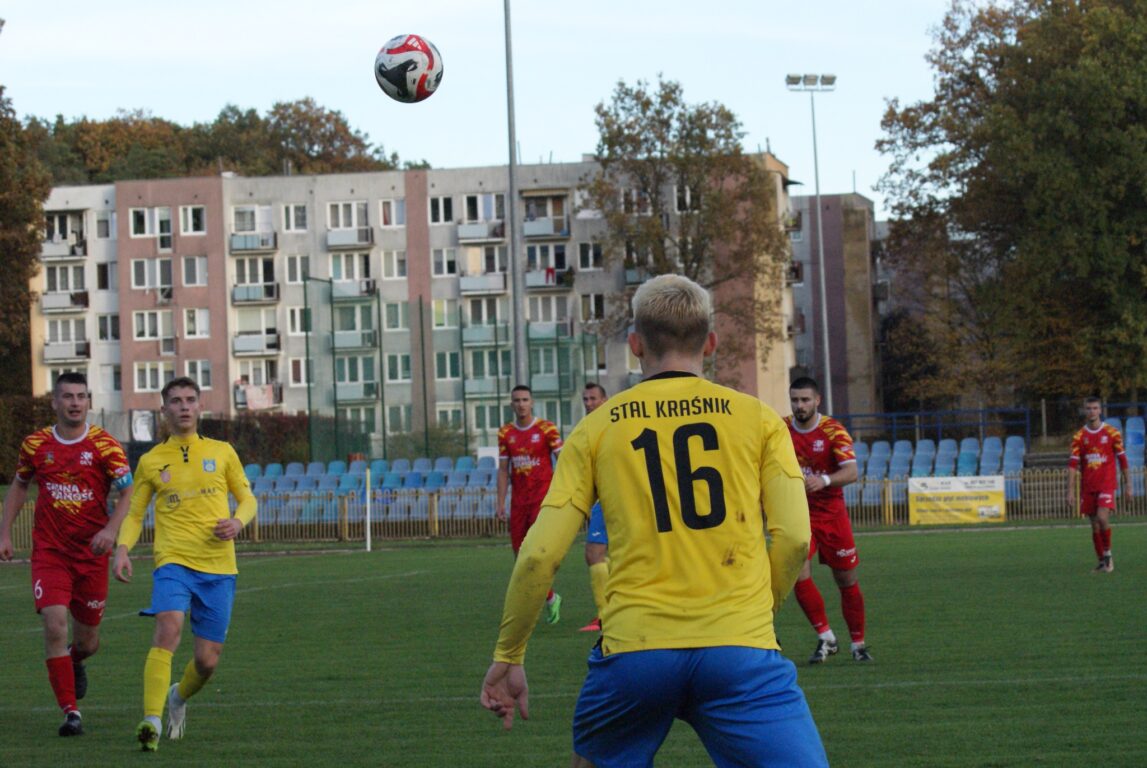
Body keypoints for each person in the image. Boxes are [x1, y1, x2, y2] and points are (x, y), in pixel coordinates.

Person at [481, 274, 828, 767]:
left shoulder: (595, 429)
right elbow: (794, 538)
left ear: (635, 344)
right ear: (710, 342)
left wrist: (509, 654)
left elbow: (539, 555)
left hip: (635, 652)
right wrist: (758, 610)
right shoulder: (761, 420)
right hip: (740, 650)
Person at [113, 377, 257, 752]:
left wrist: (238, 522)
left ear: (200, 406)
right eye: (175, 401)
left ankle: (178, 698)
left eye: (190, 400)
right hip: (173, 561)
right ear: (165, 410)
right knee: (168, 628)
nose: (183, 407)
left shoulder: (222, 452)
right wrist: (123, 549)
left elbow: (247, 499)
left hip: (219, 568)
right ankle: (151, 721)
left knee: (207, 662)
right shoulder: (150, 461)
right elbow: (134, 512)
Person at [0, 372, 133, 737]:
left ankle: (75, 660)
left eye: (81, 396)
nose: (75, 402)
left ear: (88, 401)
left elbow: (127, 492)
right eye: (68, 396)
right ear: (55, 402)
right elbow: (20, 485)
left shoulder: (105, 446)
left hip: (91, 556)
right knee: (54, 624)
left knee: (88, 642)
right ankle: (71, 712)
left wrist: (110, 530)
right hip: (51, 553)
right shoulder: (35, 445)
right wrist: (4, 532)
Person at [785, 376, 871, 664]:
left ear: (817, 401)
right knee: (798, 574)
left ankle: (858, 644)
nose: (800, 405)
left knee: (846, 579)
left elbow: (851, 472)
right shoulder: (780, 430)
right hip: (798, 515)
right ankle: (826, 636)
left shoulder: (833, 430)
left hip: (832, 516)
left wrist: (823, 480)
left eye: (805, 400)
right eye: (795, 400)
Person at [496, 385, 564, 624]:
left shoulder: (546, 429)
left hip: (542, 500)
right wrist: (500, 502)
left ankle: (532, 603)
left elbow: (563, 461)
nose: (521, 404)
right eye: (516, 400)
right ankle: (549, 597)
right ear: (511, 404)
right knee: (520, 557)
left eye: (525, 399)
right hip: (518, 502)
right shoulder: (505, 433)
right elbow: (504, 470)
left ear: (532, 402)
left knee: (535, 554)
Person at [1066, 397, 1131, 573]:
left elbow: (1123, 460)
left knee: (1102, 518)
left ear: (1100, 410)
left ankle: (1108, 554)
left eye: (1095, 408)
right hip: (1088, 486)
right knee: (1094, 525)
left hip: (1106, 484)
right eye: (1088, 408)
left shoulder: (1112, 433)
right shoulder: (1079, 436)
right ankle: (1102, 561)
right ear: (1085, 411)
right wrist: (1070, 491)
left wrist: (1128, 486)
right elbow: (1072, 464)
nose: (1092, 411)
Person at [578, 382, 609, 633]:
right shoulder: (586, 429)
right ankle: (607, 613)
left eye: (593, 399)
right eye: (585, 399)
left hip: (617, 496)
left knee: (596, 553)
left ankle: (606, 615)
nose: (589, 403)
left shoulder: (614, 424)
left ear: (605, 400)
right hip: (602, 499)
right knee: (595, 553)